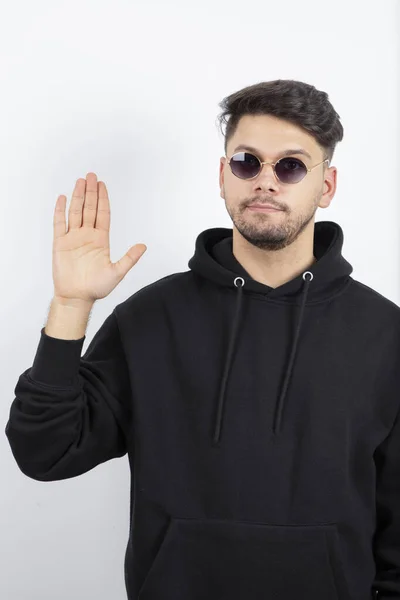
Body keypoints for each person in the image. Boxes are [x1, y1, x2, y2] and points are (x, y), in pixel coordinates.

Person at [4, 78, 395, 600]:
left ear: (326, 186)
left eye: (292, 166)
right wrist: (71, 306)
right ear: (222, 174)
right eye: (246, 162)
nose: (266, 181)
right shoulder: (150, 318)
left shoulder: (385, 335)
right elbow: (45, 452)